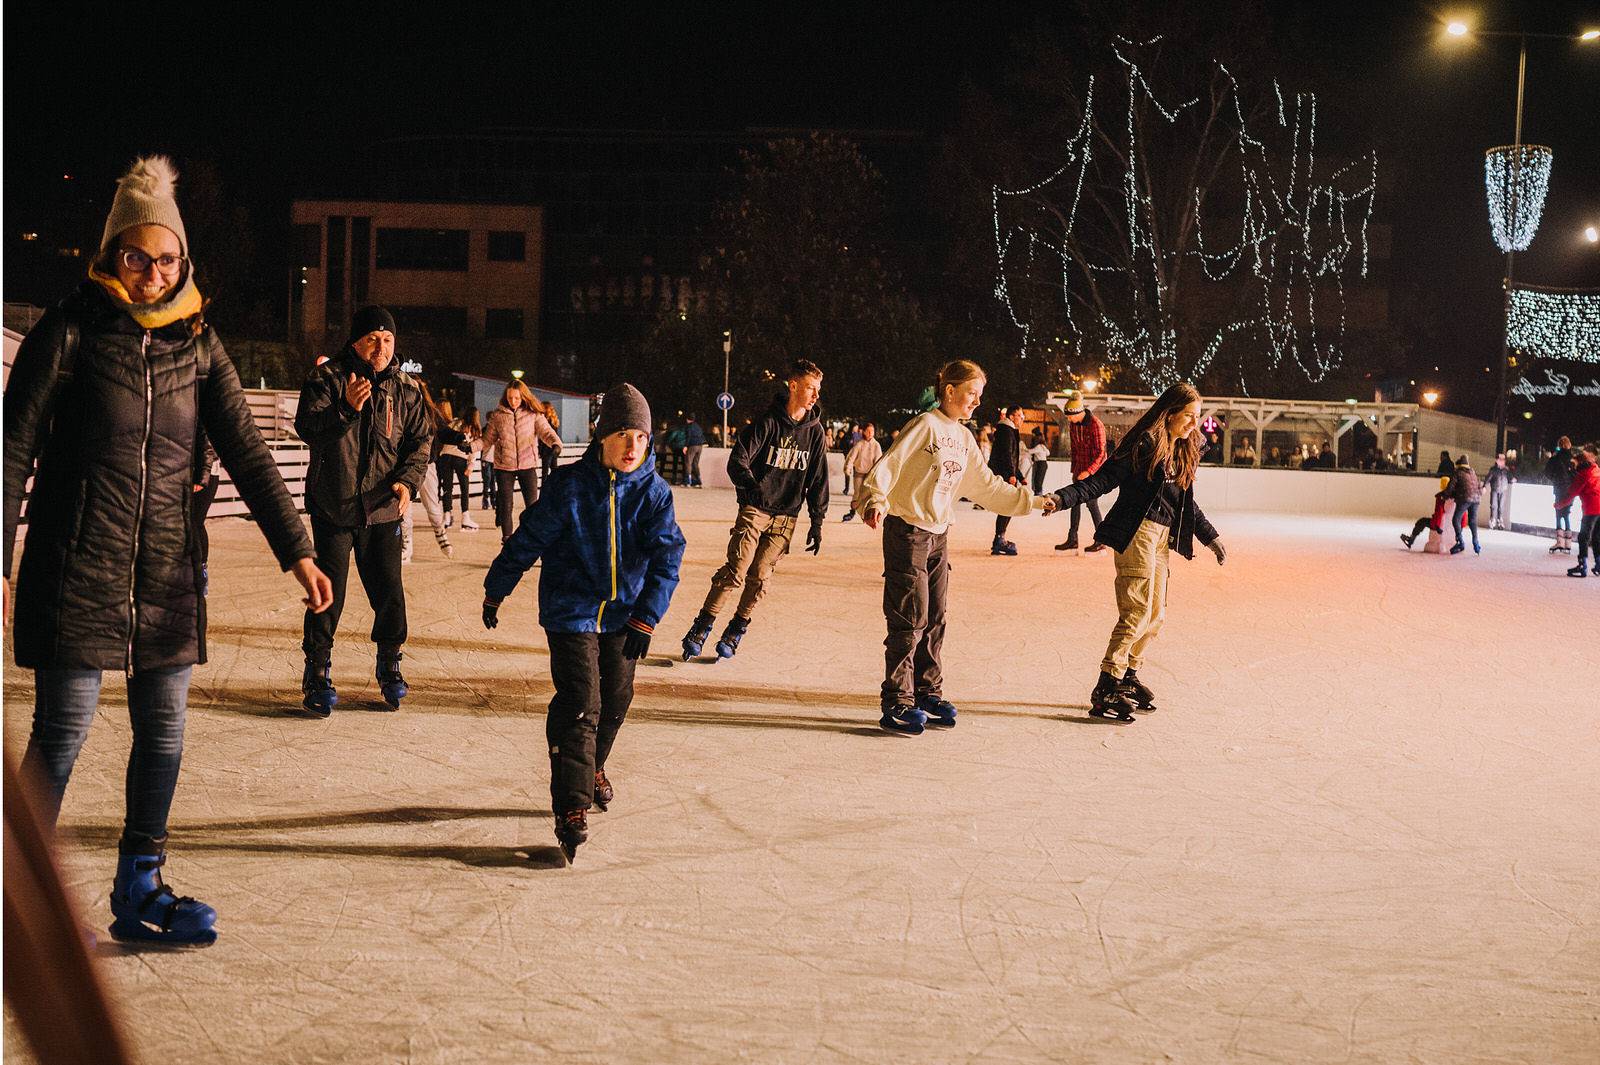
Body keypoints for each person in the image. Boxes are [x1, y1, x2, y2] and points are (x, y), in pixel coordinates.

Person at [3, 156, 333, 946]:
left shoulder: (201, 345)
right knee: (64, 727)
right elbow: (9, 448)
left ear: (184, 262)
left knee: (165, 731)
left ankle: (141, 885)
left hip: (166, 572)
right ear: (110, 253)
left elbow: (250, 452)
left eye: (166, 259)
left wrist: (299, 549)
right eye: (135, 257)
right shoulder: (71, 330)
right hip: (78, 564)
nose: (151, 274)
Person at [483, 384, 685, 863]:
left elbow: (667, 558)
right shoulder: (571, 487)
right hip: (570, 609)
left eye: (640, 436)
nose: (632, 445)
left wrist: (646, 616)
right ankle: (572, 806)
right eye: (622, 434)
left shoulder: (654, 494)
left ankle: (590, 767)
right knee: (582, 701)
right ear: (601, 438)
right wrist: (497, 586)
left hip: (623, 616)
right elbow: (529, 537)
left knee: (616, 699)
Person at [856, 359, 1055, 735]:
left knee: (935, 617)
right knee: (908, 618)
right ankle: (898, 700)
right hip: (908, 531)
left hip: (938, 534)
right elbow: (890, 463)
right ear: (949, 390)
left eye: (980, 395)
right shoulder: (925, 426)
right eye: (971, 393)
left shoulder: (963, 439)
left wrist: (1031, 501)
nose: (977, 402)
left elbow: (987, 487)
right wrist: (875, 499)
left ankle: (927, 691)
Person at [1049, 382, 1226, 723]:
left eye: (1197, 417)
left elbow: (1185, 502)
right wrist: (1062, 498)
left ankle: (1128, 674)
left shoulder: (1183, 450)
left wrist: (1209, 537)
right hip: (1137, 532)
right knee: (1137, 610)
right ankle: (1107, 684)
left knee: (1156, 613)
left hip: (1161, 538)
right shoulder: (1145, 444)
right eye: (1188, 416)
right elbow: (1101, 481)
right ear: (1170, 413)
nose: (1194, 424)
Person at [295, 305, 433, 715]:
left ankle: (390, 664)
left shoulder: (406, 389)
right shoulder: (327, 378)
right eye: (373, 338)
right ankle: (316, 671)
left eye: (388, 339)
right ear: (356, 341)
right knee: (328, 593)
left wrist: (407, 482)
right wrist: (345, 410)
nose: (381, 347)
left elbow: (420, 442)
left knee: (389, 591)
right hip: (333, 506)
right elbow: (308, 428)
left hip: (383, 509)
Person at [680, 359, 830, 660]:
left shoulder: (815, 432)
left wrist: (817, 519)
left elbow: (818, 477)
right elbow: (738, 460)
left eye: (818, 390)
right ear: (794, 386)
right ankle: (703, 624)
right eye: (811, 388)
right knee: (737, 569)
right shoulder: (767, 422)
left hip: (786, 516)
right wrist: (752, 489)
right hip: (755, 509)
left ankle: (736, 628)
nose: (815, 396)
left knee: (760, 576)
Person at [482, 380, 562, 542]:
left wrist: (556, 444)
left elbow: (546, 432)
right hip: (504, 466)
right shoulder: (498, 416)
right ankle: (507, 539)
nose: (513, 401)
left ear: (523, 397)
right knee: (505, 504)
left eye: (517, 398)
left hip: (527, 465)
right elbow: (486, 440)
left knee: (532, 505)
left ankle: (534, 538)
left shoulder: (533, 415)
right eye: (510, 398)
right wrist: (470, 447)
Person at [400, 383, 457, 564]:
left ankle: (440, 533)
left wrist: (459, 438)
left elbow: (443, 431)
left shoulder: (429, 411)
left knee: (432, 506)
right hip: (402, 467)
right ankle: (406, 544)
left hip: (426, 465)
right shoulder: (398, 407)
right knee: (403, 509)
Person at [1055, 391, 1108, 554]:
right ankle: (1072, 540)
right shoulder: (1073, 425)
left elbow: (1101, 452)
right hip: (1079, 471)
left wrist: (1088, 471)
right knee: (1074, 502)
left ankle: (1101, 541)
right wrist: (1075, 470)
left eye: (1070, 416)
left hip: (1094, 472)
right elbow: (1075, 449)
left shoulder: (1095, 424)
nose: (1068, 419)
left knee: (1092, 504)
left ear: (1079, 412)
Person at [988, 404, 1027, 555]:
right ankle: (999, 540)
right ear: (1011, 417)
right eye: (1020, 415)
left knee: (1008, 506)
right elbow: (1006, 454)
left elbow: (1011, 456)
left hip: (1006, 473)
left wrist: (1020, 476)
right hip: (1004, 474)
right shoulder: (1006, 431)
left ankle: (999, 538)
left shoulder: (1008, 431)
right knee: (1008, 505)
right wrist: (1012, 474)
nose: (1022, 418)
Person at [1555, 444, 1599, 578]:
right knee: (1597, 537)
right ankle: (1598, 564)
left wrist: (1558, 505)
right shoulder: (1596, 469)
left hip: (1591, 509)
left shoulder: (1583, 474)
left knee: (1583, 537)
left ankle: (1582, 565)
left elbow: (1572, 493)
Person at [438, 404, 481, 531]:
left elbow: (445, 435)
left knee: (447, 487)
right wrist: (471, 464)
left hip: (445, 456)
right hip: (461, 458)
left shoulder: (455, 422)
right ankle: (465, 518)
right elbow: (475, 448)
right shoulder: (474, 429)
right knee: (464, 488)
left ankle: (447, 516)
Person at [841, 422, 884, 521]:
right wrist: (848, 468)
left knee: (868, 495)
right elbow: (851, 457)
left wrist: (878, 474)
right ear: (864, 432)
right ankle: (852, 512)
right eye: (868, 431)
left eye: (872, 431)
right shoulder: (859, 444)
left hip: (870, 475)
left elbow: (879, 460)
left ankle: (866, 514)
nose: (870, 433)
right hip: (859, 473)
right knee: (857, 493)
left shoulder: (876, 445)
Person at [1447, 455, 1483, 555]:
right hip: (1476, 499)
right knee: (1472, 522)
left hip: (1464, 498)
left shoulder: (1457, 472)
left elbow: (1451, 486)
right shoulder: (1473, 472)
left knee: (1456, 519)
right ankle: (1476, 543)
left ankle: (1460, 542)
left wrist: (1445, 495)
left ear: (1459, 465)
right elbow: (1479, 485)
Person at [1545, 437, 1576, 553]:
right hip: (1570, 491)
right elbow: (1576, 474)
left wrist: (1555, 479)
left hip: (1559, 488)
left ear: (1559, 445)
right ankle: (1568, 543)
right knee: (1567, 514)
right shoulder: (1573, 459)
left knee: (1558, 514)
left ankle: (1560, 541)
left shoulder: (1555, 458)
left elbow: (1547, 472)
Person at [1483, 453, 1513, 530]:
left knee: (1501, 507)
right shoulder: (1493, 470)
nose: (1503, 461)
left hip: (1503, 489)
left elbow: (1510, 477)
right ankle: (1493, 521)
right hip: (1495, 489)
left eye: (1504, 460)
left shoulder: (1506, 470)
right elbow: (1488, 478)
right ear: (1497, 460)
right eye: (1501, 459)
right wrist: (1484, 486)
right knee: (1493, 506)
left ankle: (1500, 521)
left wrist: (1513, 479)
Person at [538, 401, 562, 482]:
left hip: (546, 448)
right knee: (554, 468)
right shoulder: (554, 421)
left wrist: (539, 449)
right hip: (553, 447)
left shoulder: (545, 421)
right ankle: (555, 485)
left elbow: (544, 437)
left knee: (545, 470)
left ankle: (544, 487)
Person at [683, 413, 706, 487]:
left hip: (692, 445)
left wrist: (686, 446)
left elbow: (688, 436)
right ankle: (698, 481)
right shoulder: (698, 426)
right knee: (695, 463)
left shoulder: (689, 427)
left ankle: (688, 481)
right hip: (700, 446)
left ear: (687, 419)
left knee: (688, 462)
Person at [1027, 428, 1051, 494]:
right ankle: (1039, 495)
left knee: (1037, 481)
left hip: (1040, 464)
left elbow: (1029, 451)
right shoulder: (1043, 446)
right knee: (1039, 481)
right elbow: (1048, 453)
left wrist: (1022, 448)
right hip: (1043, 464)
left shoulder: (1039, 446)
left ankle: (1038, 496)